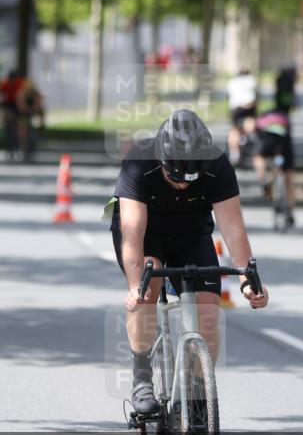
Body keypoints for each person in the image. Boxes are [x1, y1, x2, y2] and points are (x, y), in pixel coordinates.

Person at [109, 110, 269, 414]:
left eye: (190, 180)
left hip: (191, 233)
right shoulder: (139, 162)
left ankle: (197, 394)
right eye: (175, 177)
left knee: (209, 312)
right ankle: (142, 376)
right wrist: (134, 287)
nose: (183, 185)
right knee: (148, 282)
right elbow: (132, 231)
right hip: (146, 234)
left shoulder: (218, 165)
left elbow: (233, 227)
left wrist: (247, 280)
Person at [254, 107, 296, 225]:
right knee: (288, 177)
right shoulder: (285, 119)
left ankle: (263, 181)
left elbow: (257, 135)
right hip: (284, 141)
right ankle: (290, 211)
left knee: (259, 157)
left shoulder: (263, 119)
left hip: (267, 138)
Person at [225, 68, 258, 166]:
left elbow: (229, 97)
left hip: (236, 108)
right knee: (250, 123)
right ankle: (249, 137)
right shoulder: (252, 80)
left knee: (235, 129)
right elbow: (256, 96)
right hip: (249, 105)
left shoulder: (232, 82)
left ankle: (235, 153)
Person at [0, 68, 27, 156]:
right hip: (7, 104)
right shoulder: (4, 84)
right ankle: (9, 146)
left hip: (17, 104)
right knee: (8, 125)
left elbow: (22, 96)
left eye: (14, 80)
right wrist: (4, 110)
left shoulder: (20, 83)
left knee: (18, 126)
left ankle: (18, 145)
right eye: (11, 80)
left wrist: (22, 107)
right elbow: (0, 96)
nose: (12, 82)